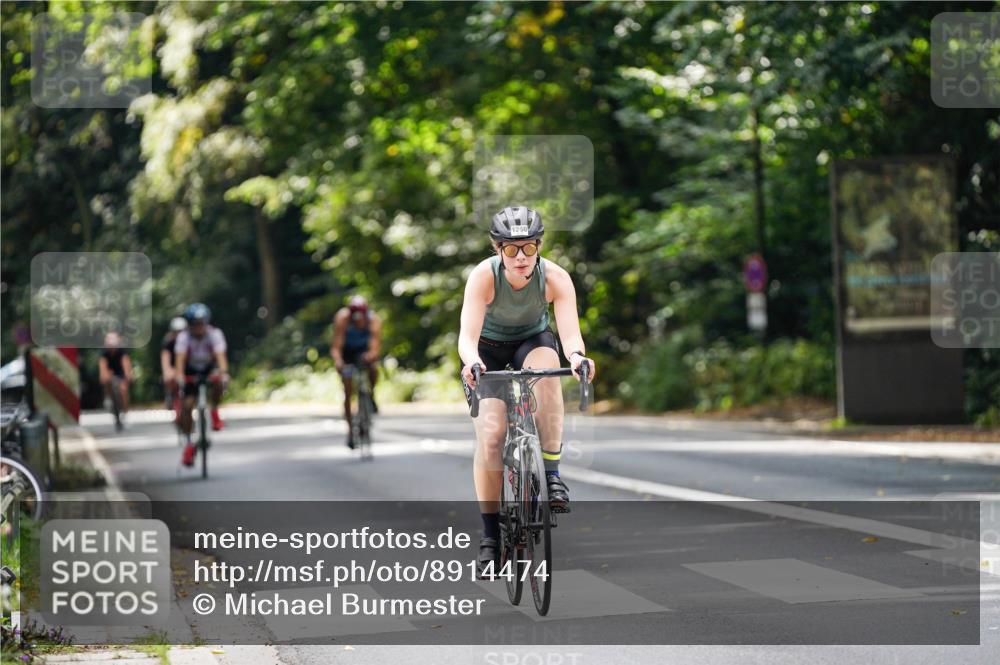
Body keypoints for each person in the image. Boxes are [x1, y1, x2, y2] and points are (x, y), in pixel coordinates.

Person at [458, 206, 595, 576]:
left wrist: (579, 358)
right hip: (487, 350)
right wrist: (473, 363)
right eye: (511, 249)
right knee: (491, 437)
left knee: (549, 374)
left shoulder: (555, 278)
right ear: (497, 249)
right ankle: (490, 537)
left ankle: (551, 474)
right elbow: (466, 339)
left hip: (531, 341)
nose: (521, 258)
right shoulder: (482, 278)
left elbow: (569, 336)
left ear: (538, 246)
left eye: (529, 249)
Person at [174, 303, 229, 467]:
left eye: (201, 323)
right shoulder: (183, 337)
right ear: (190, 324)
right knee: (187, 405)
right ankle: (189, 443)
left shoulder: (214, 334)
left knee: (219, 380)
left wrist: (223, 373)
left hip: (209, 368)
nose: (199, 327)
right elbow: (180, 360)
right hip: (191, 370)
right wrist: (179, 376)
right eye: (195, 324)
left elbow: (221, 358)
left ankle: (214, 411)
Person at [330, 295, 382, 449]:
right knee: (347, 389)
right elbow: (336, 346)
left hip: (364, 353)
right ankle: (350, 430)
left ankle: (371, 394)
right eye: (356, 317)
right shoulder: (343, 319)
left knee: (373, 369)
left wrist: (371, 355)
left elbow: (375, 346)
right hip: (347, 355)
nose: (358, 321)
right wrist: (339, 362)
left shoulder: (374, 320)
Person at [99, 331, 134, 428]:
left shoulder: (122, 351)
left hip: (121, 373)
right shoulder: (104, 353)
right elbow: (103, 367)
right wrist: (104, 377)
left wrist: (128, 377)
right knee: (108, 383)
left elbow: (126, 364)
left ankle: (125, 412)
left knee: (123, 390)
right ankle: (108, 397)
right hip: (110, 374)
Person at [160, 316, 188, 415]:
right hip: (173, 367)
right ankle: (170, 395)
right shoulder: (168, 342)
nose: (179, 334)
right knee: (169, 378)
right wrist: (167, 372)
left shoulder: (189, 341)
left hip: (186, 367)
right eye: (176, 331)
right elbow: (165, 358)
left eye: (181, 331)